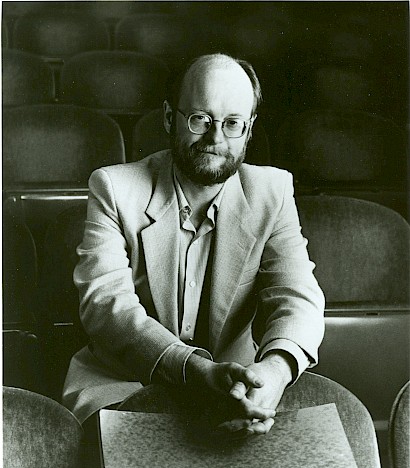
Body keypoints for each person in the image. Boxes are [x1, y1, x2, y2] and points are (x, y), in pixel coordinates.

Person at [62, 53, 325, 436]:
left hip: (239, 389)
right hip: (125, 384)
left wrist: (275, 370)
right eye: (200, 119)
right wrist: (194, 369)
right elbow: (106, 306)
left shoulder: (273, 191)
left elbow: (298, 295)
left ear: (249, 130)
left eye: (233, 123)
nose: (216, 139)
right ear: (170, 118)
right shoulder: (114, 187)